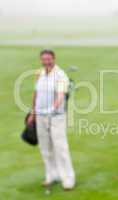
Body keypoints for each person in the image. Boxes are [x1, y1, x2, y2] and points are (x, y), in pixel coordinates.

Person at [27, 49, 75, 190]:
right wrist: (33, 112)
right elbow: (36, 94)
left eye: (49, 59)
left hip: (56, 117)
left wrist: (52, 108)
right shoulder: (39, 73)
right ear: (41, 60)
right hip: (40, 116)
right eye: (44, 59)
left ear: (54, 59)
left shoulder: (61, 75)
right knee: (45, 148)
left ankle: (68, 179)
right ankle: (51, 175)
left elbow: (60, 96)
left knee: (60, 148)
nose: (46, 62)